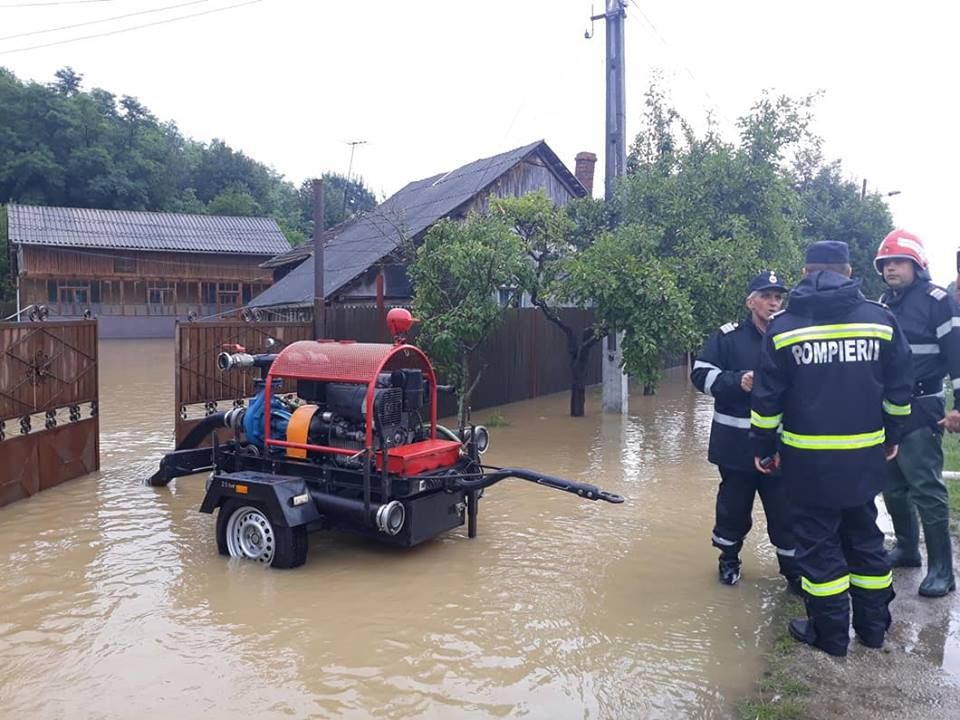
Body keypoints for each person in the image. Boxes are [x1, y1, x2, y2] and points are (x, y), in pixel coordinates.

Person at [752, 241, 912, 657]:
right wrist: (893, 436)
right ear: (849, 270)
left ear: (805, 272)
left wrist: (764, 447)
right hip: (865, 458)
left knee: (818, 549)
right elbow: (899, 391)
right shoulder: (880, 321)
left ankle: (831, 637)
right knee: (865, 539)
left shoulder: (783, 328)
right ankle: (874, 631)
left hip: (808, 464)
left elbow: (767, 401)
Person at [691, 270, 799, 591]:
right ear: (750, 301)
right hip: (736, 447)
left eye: (778, 296)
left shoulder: (792, 335)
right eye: (766, 296)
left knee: (785, 510)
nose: (773, 302)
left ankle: (793, 571)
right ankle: (728, 560)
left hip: (781, 446)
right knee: (733, 508)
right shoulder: (728, 337)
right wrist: (736, 381)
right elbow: (700, 375)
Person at [875, 229, 960, 597]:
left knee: (926, 487)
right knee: (892, 488)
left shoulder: (938, 300)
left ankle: (943, 569)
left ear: (916, 264)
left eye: (897, 262)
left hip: (924, 407)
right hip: (888, 410)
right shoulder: (884, 303)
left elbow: (957, 355)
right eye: (885, 263)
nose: (890, 268)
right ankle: (908, 549)